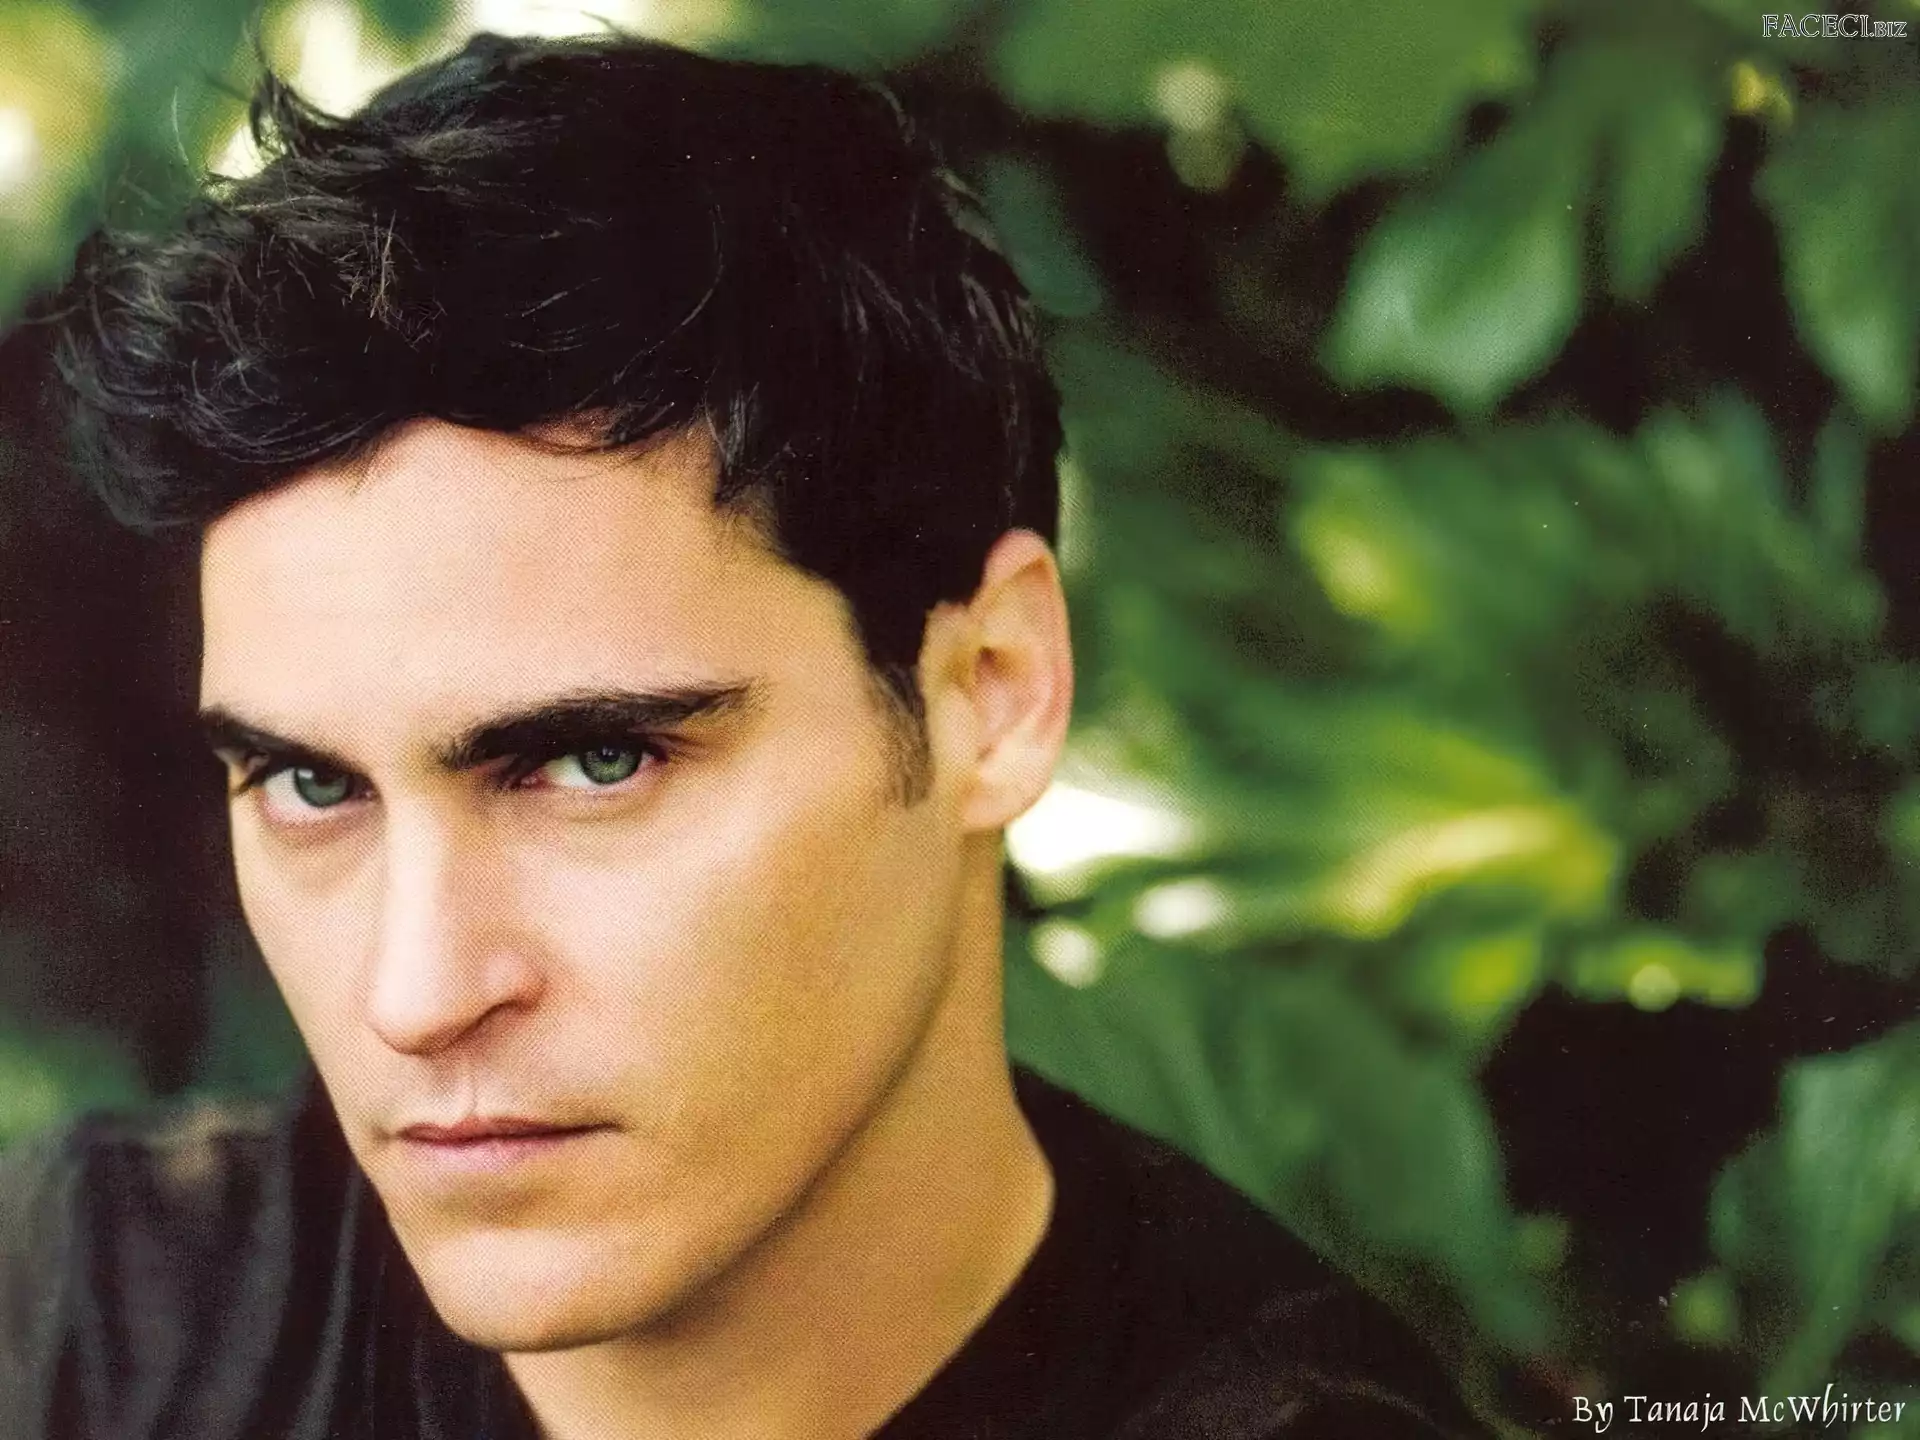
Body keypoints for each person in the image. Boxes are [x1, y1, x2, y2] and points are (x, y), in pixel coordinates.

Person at [1, 32, 1490, 1440]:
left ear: (991, 690)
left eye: (598, 762)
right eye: (312, 784)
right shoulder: (85, 1317)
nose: (416, 995)